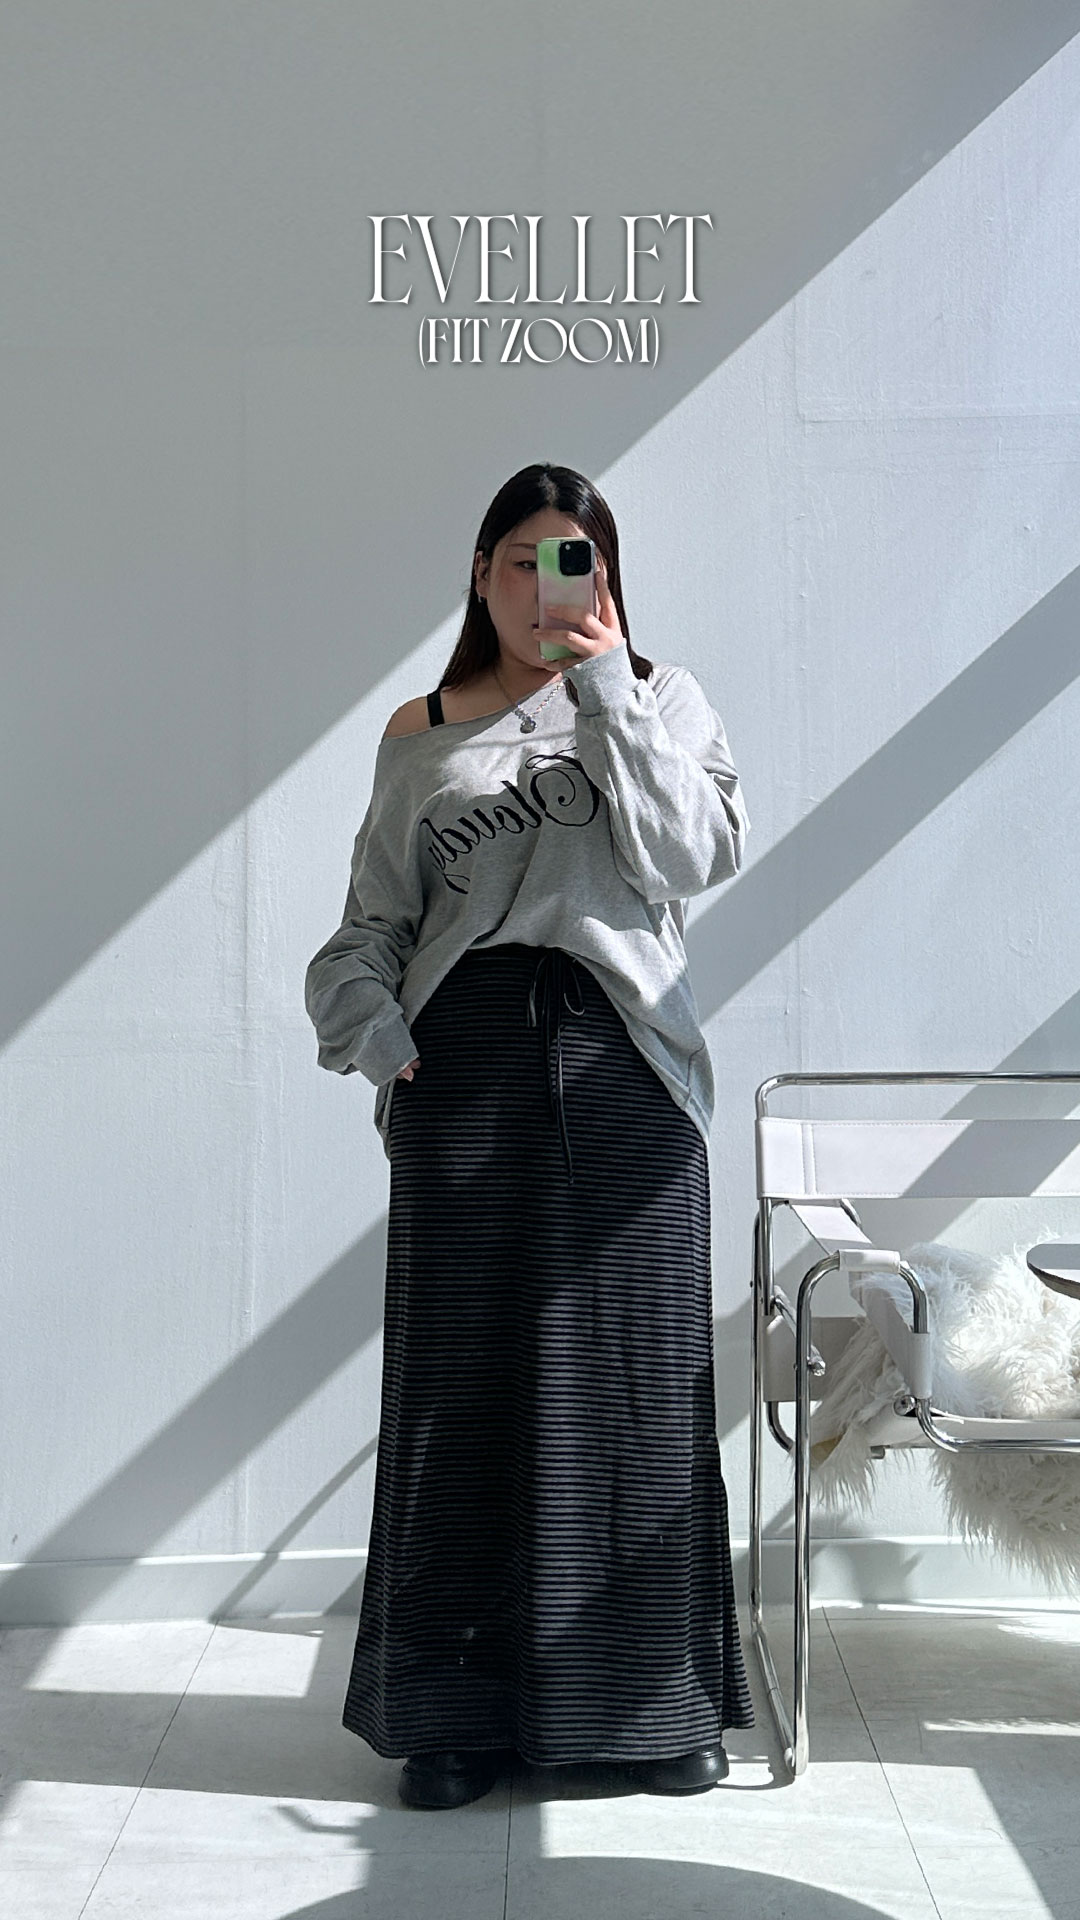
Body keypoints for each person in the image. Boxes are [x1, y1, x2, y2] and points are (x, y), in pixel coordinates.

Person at [304, 461, 754, 1810]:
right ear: (481, 575)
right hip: (467, 1068)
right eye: (522, 560)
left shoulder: (661, 701)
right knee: (460, 1397)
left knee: (637, 1392)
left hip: (626, 1074)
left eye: (577, 561)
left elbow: (692, 859)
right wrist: (382, 1038)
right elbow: (367, 929)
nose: (547, 586)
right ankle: (453, 1723)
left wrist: (606, 692)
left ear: (606, 579)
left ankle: (651, 1714)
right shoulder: (422, 732)